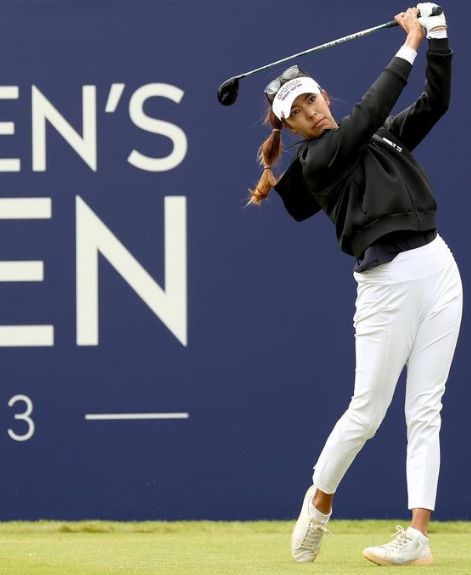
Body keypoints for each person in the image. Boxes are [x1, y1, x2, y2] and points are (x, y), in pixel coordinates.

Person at [248, 4, 460, 567]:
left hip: (438, 268)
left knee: (426, 409)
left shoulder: (382, 138)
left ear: (323, 97)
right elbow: (370, 110)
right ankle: (318, 502)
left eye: (311, 101)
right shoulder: (318, 159)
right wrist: (410, 41)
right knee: (367, 412)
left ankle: (417, 536)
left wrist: (438, 34)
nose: (310, 113)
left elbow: (436, 101)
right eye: (297, 113)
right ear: (291, 127)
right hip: (387, 284)